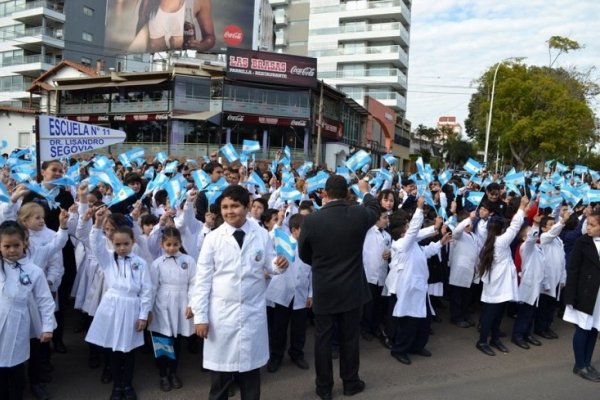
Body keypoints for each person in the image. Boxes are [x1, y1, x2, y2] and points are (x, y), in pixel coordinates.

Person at [190, 185, 289, 400]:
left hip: (252, 313)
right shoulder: (213, 239)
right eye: (225, 207)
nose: (229, 211)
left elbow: (270, 263)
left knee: (250, 377)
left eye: (234, 206)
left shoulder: (261, 234)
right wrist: (201, 317)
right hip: (222, 316)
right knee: (220, 381)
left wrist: (279, 264)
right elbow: (202, 281)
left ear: (246, 207)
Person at [298, 176, 378, 400]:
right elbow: (374, 206)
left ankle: (324, 388)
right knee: (350, 338)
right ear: (346, 193)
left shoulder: (312, 220)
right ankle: (351, 383)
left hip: (325, 289)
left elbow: (304, 254)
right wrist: (365, 189)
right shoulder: (358, 213)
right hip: (352, 289)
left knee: (323, 340)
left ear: (325, 193)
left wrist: (321, 264)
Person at [86, 208, 154, 400]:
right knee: (114, 349)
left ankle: (128, 384)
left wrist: (143, 315)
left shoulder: (140, 262)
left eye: (126, 243)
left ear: (132, 242)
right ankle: (117, 385)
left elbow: (146, 290)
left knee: (129, 349)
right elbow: (96, 244)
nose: (122, 247)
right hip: (112, 307)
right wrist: (98, 224)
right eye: (118, 244)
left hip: (132, 306)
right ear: (112, 243)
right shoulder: (107, 259)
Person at [0, 221, 56, 400]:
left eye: (16, 245)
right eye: (6, 246)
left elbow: (45, 300)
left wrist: (47, 327)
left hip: (18, 320)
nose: (12, 250)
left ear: (25, 243)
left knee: (14, 365)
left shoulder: (34, 271)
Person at [476, 196, 528, 357]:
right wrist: (522, 207)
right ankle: (482, 341)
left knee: (498, 314)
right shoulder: (500, 242)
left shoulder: (492, 240)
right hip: (496, 285)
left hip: (500, 284)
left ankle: (495, 338)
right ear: (500, 230)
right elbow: (515, 226)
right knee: (490, 315)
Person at [149, 227, 196, 392]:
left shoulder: (188, 261)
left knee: (176, 340)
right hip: (162, 304)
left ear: (180, 243)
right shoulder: (156, 264)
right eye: (168, 244)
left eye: (175, 244)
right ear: (162, 244)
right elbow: (153, 288)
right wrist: (148, 310)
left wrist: (191, 304)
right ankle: (163, 374)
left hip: (181, 302)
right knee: (163, 340)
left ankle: (173, 372)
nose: (171, 248)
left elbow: (194, 283)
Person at [265, 213, 312, 373]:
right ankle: (276, 355)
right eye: (304, 229)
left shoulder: (309, 247)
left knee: (299, 327)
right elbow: (269, 238)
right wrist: (277, 223)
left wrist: (311, 294)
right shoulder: (282, 243)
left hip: (300, 293)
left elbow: (312, 272)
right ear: (294, 230)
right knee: (279, 327)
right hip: (283, 292)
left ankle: (296, 353)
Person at [564, 208, 600, 381]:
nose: (589, 228)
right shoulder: (582, 242)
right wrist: (570, 296)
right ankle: (580, 365)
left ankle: (587, 362)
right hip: (585, 293)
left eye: (593, 225)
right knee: (583, 329)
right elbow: (573, 269)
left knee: (594, 329)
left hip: (599, 295)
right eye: (588, 224)